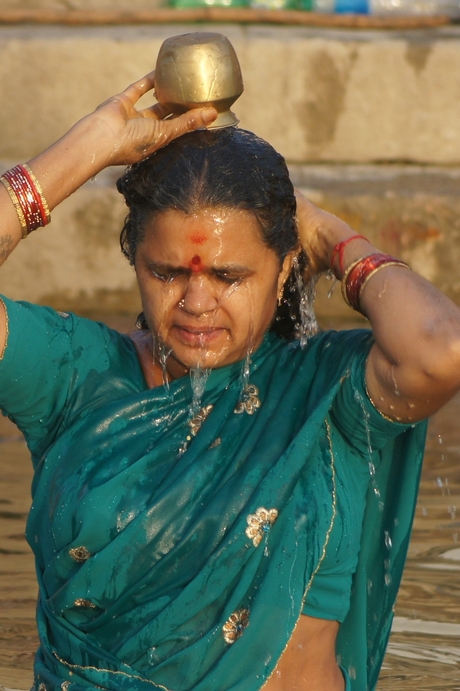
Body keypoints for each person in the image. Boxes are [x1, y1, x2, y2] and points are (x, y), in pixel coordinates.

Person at [1, 70, 460, 691]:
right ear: (133, 259)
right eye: (166, 273)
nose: (197, 302)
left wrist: (333, 237)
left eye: (230, 276)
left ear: (284, 268)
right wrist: (89, 148)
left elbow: (442, 351)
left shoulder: (326, 396)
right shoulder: (77, 377)